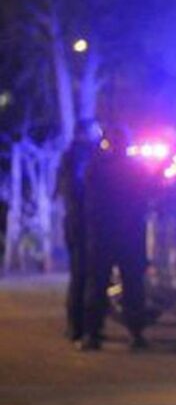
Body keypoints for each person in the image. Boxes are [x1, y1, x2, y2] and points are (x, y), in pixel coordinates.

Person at [82, 126, 149, 350]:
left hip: (104, 234)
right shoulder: (137, 169)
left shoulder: (98, 168)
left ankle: (93, 334)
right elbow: (148, 198)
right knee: (133, 286)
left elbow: (88, 200)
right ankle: (136, 333)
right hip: (130, 234)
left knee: (98, 284)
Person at [55, 120, 101, 345]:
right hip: (82, 223)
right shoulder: (82, 155)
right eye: (96, 130)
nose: (99, 134)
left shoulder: (70, 155)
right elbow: (80, 187)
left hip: (74, 221)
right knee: (84, 275)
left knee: (79, 275)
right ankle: (80, 327)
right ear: (85, 133)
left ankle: (76, 326)